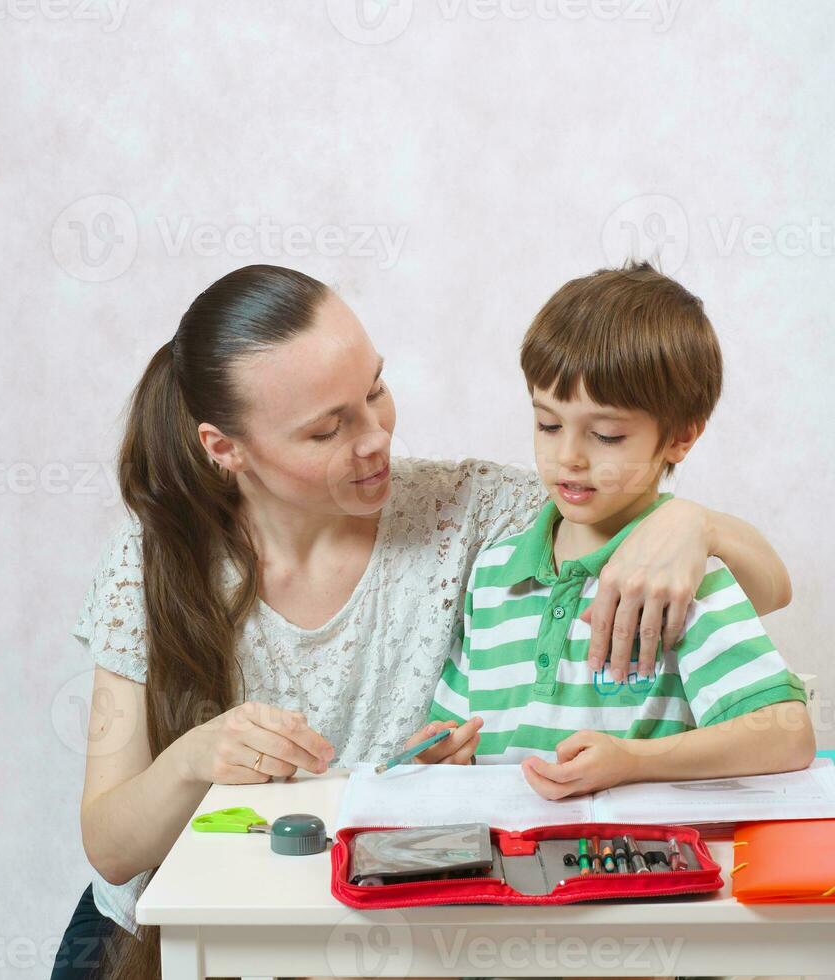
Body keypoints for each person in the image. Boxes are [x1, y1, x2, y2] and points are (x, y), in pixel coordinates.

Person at [53, 264, 795, 979]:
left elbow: (748, 587)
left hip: (369, 931)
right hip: (163, 932)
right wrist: (194, 757)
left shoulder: (468, 512)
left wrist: (692, 524)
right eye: (327, 431)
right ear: (226, 449)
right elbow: (111, 848)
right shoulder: (150, 563)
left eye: (376, 391)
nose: (376, 437)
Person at [423, 262, 814, 796]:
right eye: (548, 424)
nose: (569, 457)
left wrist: (633, 760)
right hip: (505, 862)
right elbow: (456, 730)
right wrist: (445, 754)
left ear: (678, 438)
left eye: (605, 435)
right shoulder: (493, 573)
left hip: (632, 863)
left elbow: (786, 736)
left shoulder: (680, 577)